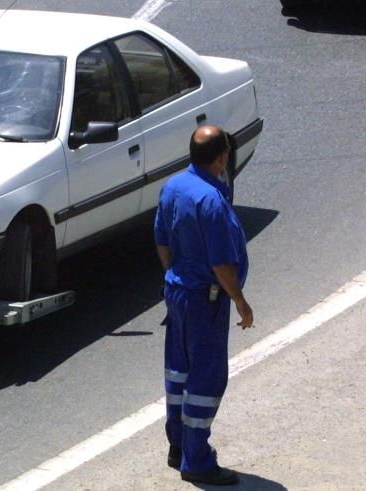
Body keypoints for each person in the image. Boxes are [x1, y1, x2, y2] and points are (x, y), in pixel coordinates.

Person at [154, 125, 254, 486]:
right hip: (205, 299)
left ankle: (177, 446)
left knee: (178, 372)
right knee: (206, 379)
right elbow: (221, 264)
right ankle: (197, 460)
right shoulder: (210, 200)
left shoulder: (174, 187)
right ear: (222, 157)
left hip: (177, 291)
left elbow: (162, 240)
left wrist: (174, 277)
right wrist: (241, 302)